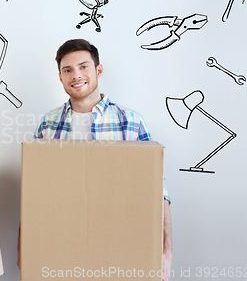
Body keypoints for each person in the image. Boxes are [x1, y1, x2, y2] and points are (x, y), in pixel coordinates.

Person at [18, 39, 172, 281]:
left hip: (119, 242)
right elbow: (34, 191)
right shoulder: (48, 123)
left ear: (98, 70)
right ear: (60, 77)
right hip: (61, 243)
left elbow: (157, 190)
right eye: (67, 70)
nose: (76, 75)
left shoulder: (130, 121)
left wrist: (165, 248)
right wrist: (24, 246)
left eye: (83, 67)